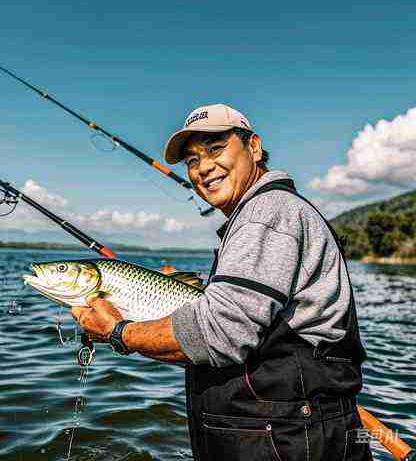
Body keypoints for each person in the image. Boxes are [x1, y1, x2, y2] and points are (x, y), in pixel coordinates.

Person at [71, 103, 372, 460]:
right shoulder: (268, 214)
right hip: (288, 433)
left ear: (254, 147)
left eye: (215, 149)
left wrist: (118, 331)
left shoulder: (267, 213)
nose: (203, 168)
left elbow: (219, 335)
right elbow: (240, 323)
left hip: (288, 440)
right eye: (192, 160)